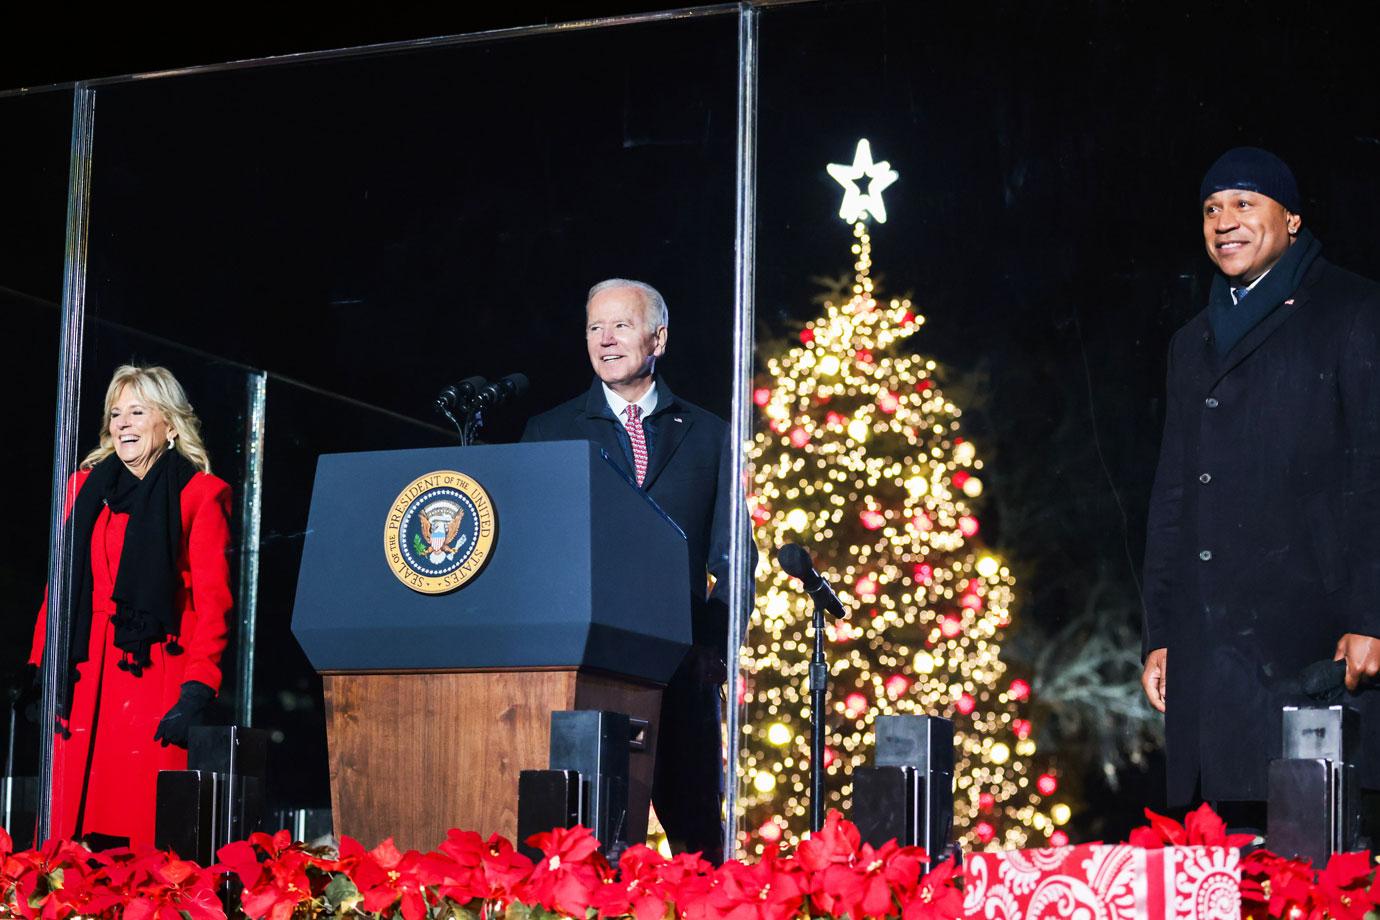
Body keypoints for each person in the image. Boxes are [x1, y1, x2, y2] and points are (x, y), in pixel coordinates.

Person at [1141, 147, 1380, 822]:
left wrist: (1373, 616)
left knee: (1319, 867)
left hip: (1315, 649)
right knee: (1216, 867)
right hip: (1210, 666)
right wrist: (1159, 633)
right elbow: (1173, 496)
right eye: (1212, 208)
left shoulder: (1354, 310)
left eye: (1246, 204)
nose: (1225, 222)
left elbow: (1375, 471)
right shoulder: (1191, 343)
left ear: (1292, 218)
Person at [521, 278, 742, 863]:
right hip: (587, 670)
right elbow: (535, 554)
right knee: (588, 842)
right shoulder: (551, 431)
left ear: (658, 338)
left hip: (684, 671)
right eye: (595, 327)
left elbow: (733, 558)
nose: (606, 340)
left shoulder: (711, 435)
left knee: (698, 841)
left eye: (621, 325)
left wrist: (715, 652)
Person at [28, 364, 233, 847]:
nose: (122, 423)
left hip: (153, 675)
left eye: (137, 412)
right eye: (115, 414)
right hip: (82, 675)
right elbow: (59, 586)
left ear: (169, 422)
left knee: (139, 827)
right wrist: (41, 665)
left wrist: (197, 690)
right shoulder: (84, 491)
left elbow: (213, 605)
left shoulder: (200, 494)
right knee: (66, 831)